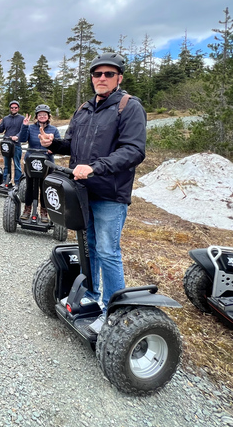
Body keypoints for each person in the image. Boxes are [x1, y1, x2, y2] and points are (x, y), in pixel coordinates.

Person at [39, 53, 146, 331]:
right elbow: (72, 145)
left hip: (110, 193)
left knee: (108, 251)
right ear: (91, 77)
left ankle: (114, 312)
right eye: (97, 74)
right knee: (89, 247)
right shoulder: (84, 109)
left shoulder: (128, 106)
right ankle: (92, 295)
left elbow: (134, 151)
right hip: (82, 192)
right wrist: (54, 144)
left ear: (119, 78)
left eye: (109, 74)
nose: (102, 78)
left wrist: (96, 168)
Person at [18, 104, 60, 220]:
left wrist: (53, 149)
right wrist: (24, 126)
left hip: (47, 162)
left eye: (44, 114)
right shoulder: (31, 128)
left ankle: (44, 211)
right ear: (36, 116)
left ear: (48, 116)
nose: (42, 116)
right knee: (30, 186)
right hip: (31, 161)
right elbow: (22, 139)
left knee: (45, 187)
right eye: (40, 114)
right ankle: (27, 209)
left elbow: (59, 144)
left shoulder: (54, 130)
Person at [0, 100, 25, 186]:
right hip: (6, 143)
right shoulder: (6, 118)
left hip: (16, 144)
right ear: (10, 108)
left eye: (15, 107)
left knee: (17, 164)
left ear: (18, 108)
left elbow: (23, 130)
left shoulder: (22, 118)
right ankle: (6, 181)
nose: (13, 109)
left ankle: (17, 183)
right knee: (6, 164)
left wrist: (17, 136)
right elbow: (1, 130)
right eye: (12, 108)